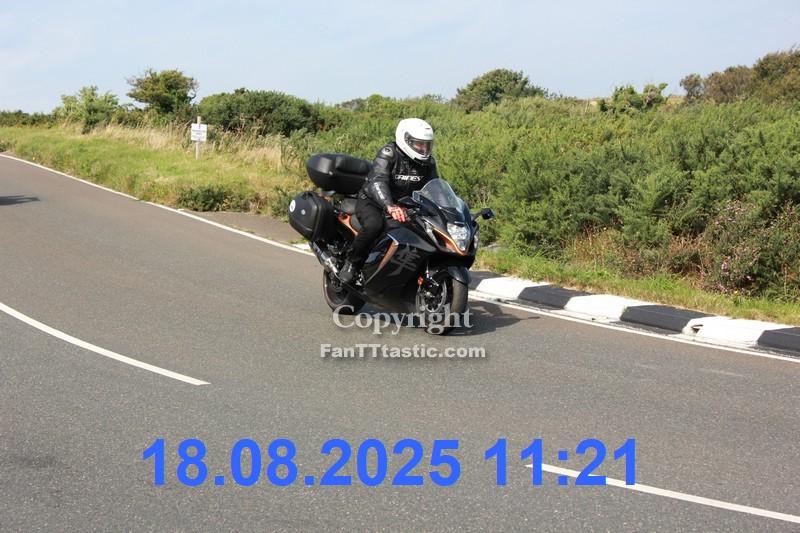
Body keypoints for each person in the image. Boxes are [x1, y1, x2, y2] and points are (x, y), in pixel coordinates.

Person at [338, 118, 440, 284]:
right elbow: (378, 181)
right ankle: (352, 263)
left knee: (423, 232)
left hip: (403, 205)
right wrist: (389, 205)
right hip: (373, 201)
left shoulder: (428, 162)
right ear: (405, 140)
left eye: (426, 145)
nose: (423, 149)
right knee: (374, 225)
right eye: (419, 144)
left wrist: (445, 208)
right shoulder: (389, 154)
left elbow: (435, 187)